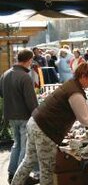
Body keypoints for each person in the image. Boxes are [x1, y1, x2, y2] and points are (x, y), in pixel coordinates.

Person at [11, 63, 88, 185]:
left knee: (29, 161)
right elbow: (84, 119)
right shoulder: (75, 91)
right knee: (47, 170)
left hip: (35, 123)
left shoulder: (72, 85)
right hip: (45, 129)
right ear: (83, 76)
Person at [0, 49, 39, 184]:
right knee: (24, 146)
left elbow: (2, 94)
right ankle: (21, 176)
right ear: (29, 60)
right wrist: (37, 117)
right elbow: (31, 101)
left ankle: (12, 173)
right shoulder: (24, 77)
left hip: (10, 115)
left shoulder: (5, 74)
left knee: (16, 145)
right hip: (23, 116)